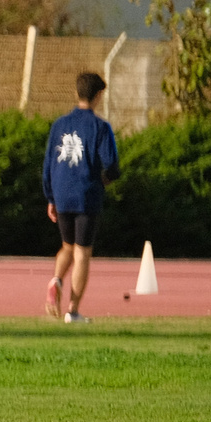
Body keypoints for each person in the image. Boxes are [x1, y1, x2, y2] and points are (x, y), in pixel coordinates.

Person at [43, 71, 120, 324]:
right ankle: (73, 311)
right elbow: (111, 164)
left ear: (77, 93)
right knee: (82, 253)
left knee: (67, 246)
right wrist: (106, 180)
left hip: (61, 193)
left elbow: (48, 164)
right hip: (86, 194)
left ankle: (56, 280)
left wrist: (50, 197)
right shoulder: (100, 127)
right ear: (98, 96)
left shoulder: (59, 125)